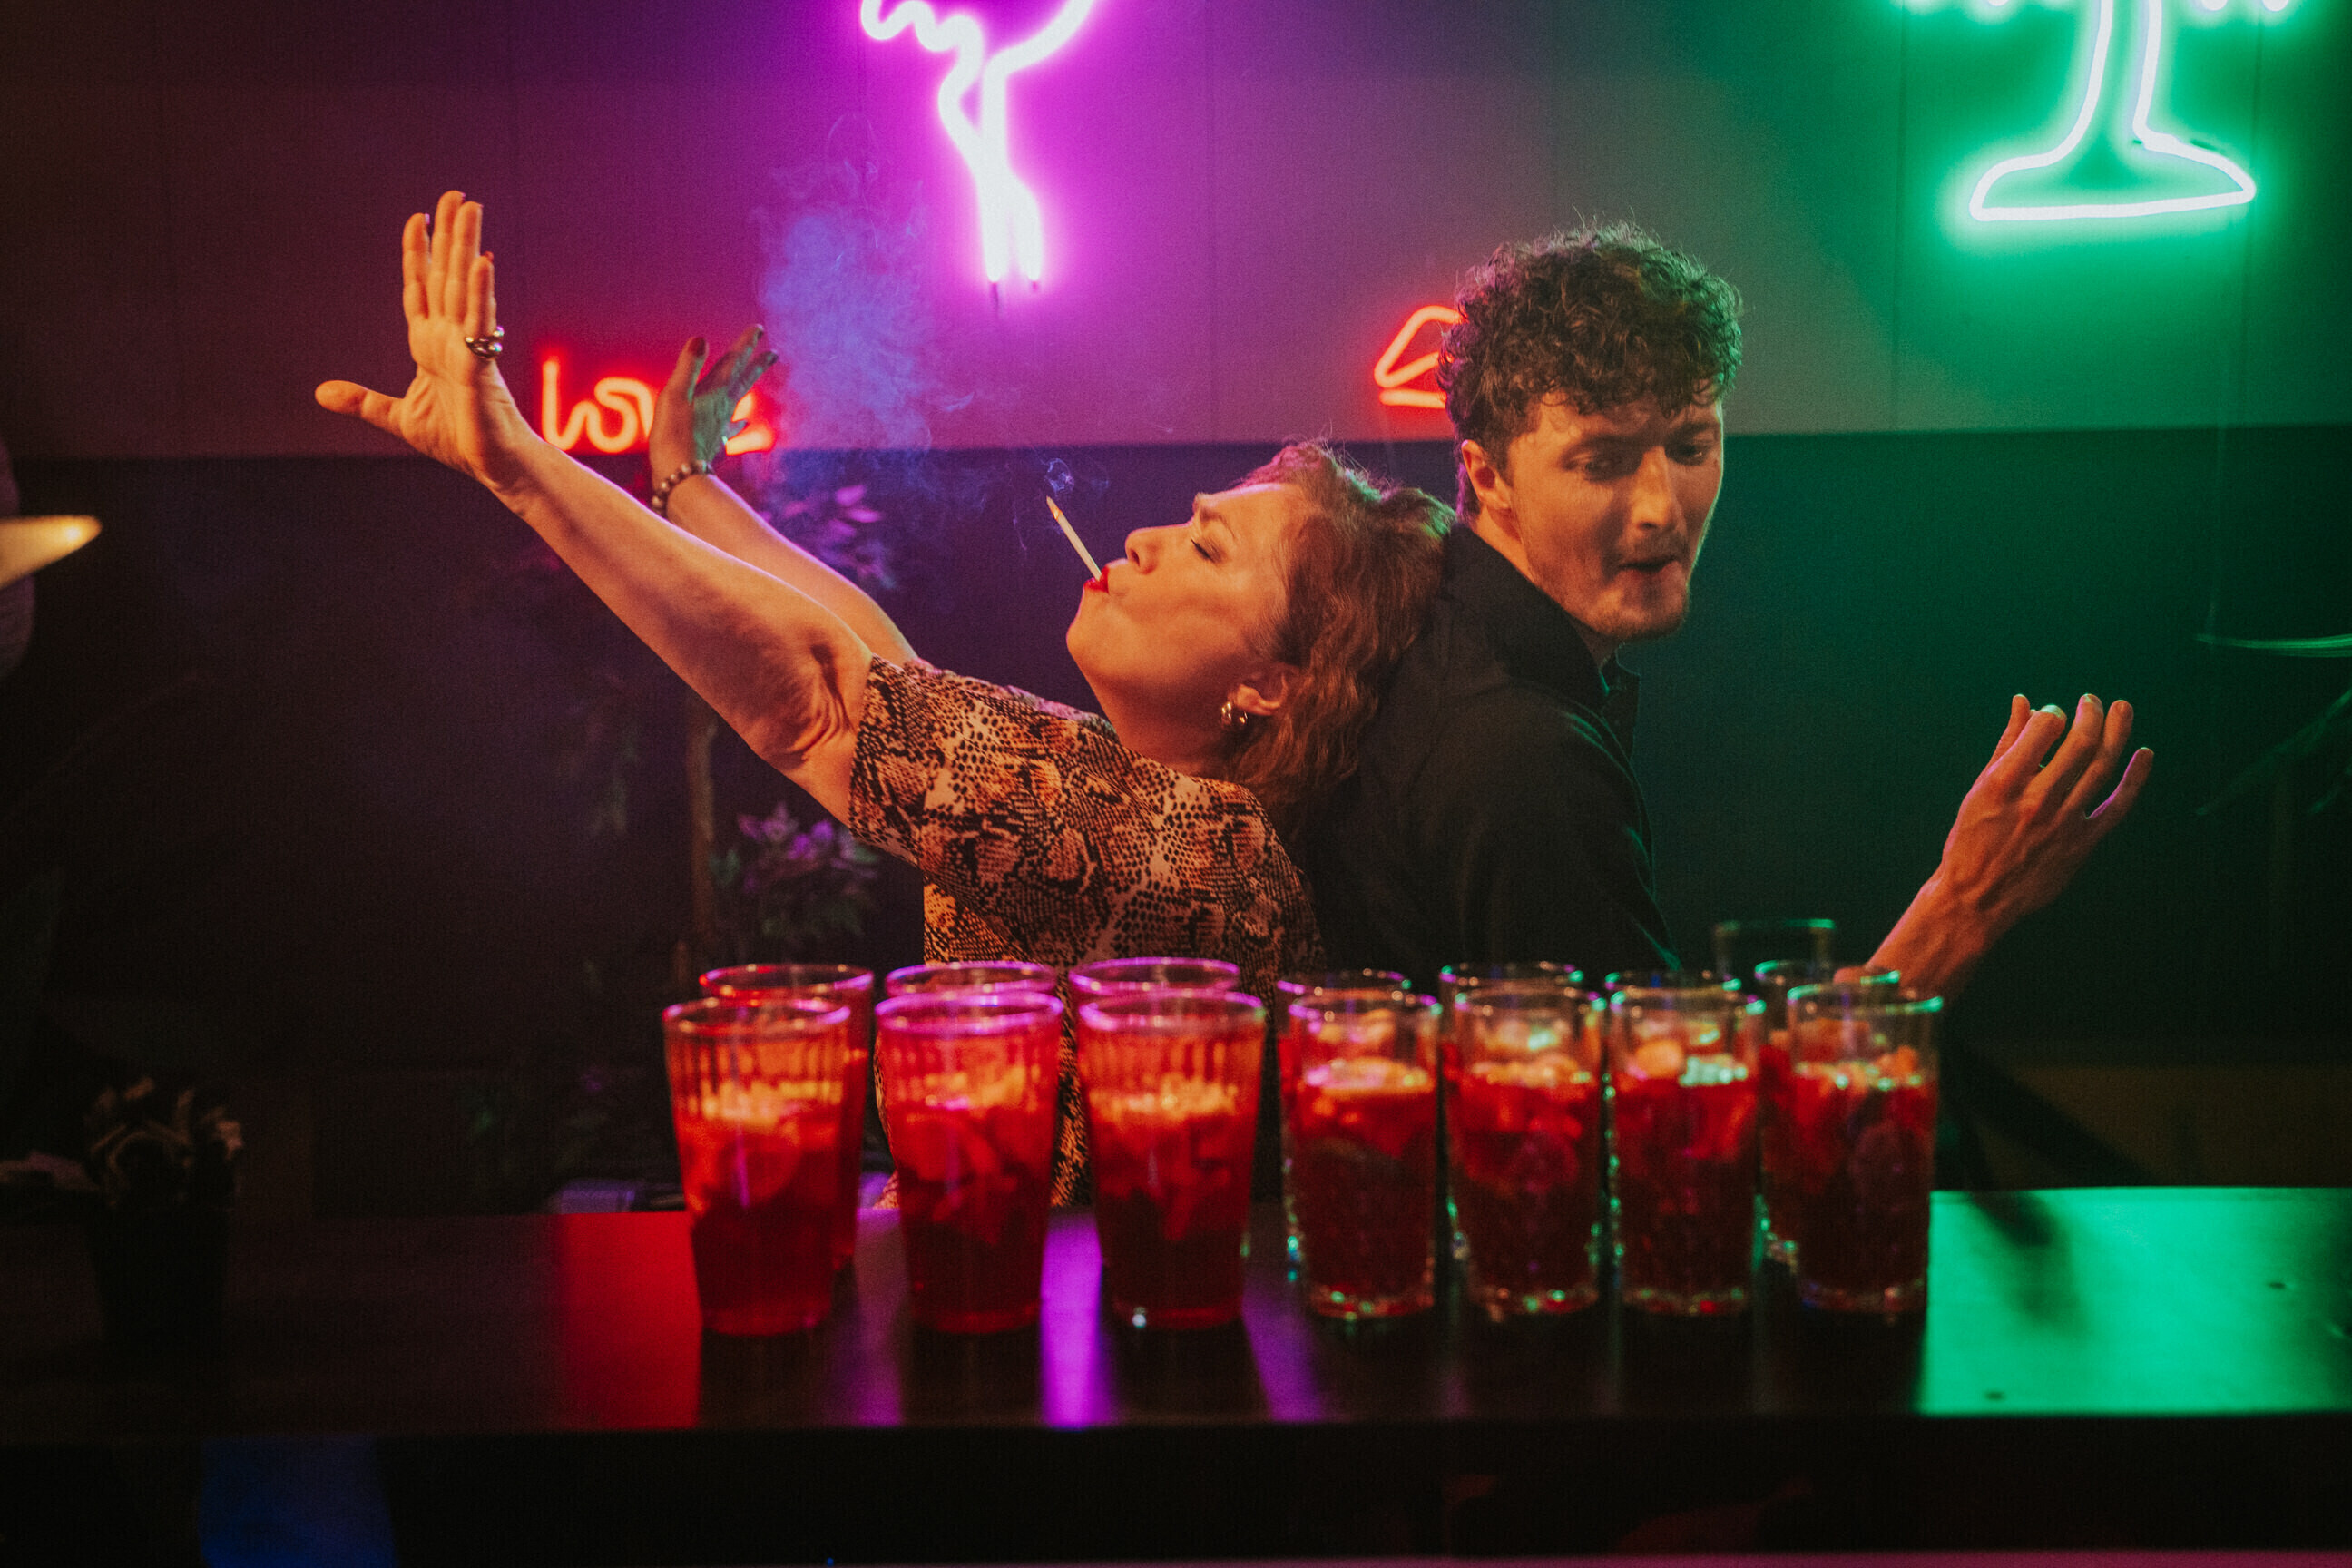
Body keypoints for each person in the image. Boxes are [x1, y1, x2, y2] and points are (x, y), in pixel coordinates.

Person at [316, 192, 1450, 1201]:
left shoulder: (1211, 853)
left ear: (1271, 684)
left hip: (1065, 1336)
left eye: (1204, 548)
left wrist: (518, 463)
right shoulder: (1129, 799)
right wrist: (687, 484)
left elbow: (826, 700)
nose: (1148, 537)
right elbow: (884, 668)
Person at [1303, 224, 2153, 998]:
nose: (1660, 509)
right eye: (1602, 461)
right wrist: (1966, 903)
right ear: (1489, 477)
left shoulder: (1449, 646)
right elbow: (1656, 1112)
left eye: (1689, 447)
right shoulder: (1513, 747)